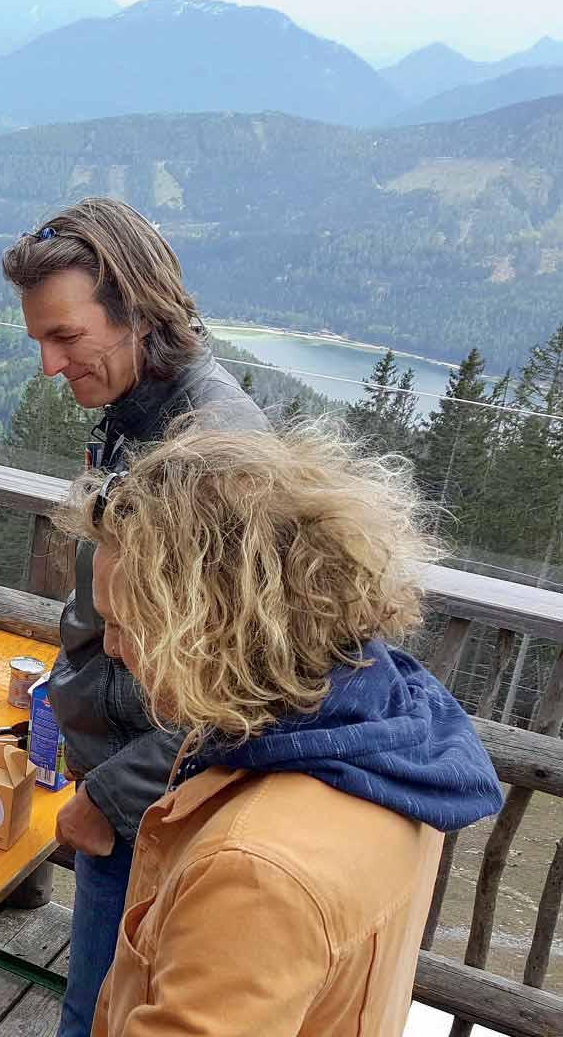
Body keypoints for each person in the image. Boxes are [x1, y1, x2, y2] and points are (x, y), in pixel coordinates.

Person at [55, 424, 502, 1036]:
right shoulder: (386, 731)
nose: (110, 649)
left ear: (213, 626)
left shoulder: (255, 873)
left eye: (128, 627)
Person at [0, 197, 269, 1035]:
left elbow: (246, 683)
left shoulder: (211, 456)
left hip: (157, 804)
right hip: (131, 784)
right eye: (39, 340)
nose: (49, 365)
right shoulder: (133, 416)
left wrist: (111, 797)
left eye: (65, 337)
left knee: (101, 1013)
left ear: (138, 311)